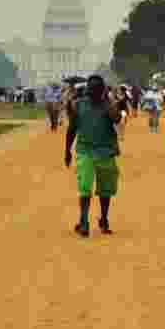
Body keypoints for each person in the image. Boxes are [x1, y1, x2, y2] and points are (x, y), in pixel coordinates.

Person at [63, 75, 123, 237]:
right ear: (88, 91)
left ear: (103, 91)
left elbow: (117, 119)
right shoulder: (79, 106)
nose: (95, 93)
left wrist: (109, 102)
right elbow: (72, 129)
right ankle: (83, 221)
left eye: (98, 90)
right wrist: (67, 150)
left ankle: (103, 219)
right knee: (85, 188)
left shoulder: (108, 105)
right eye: (92, 90)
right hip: (85, 152)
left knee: (106, 190)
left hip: (106, 152)